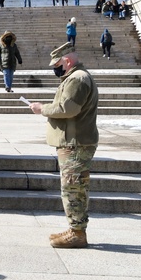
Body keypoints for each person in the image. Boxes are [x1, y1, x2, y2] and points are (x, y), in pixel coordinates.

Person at [30, 43, 100, 248]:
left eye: (57, 64)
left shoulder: (78, 79)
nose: (55, 68)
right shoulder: (75, 77)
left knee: (73, 188)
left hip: (76, 142)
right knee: (72, 187)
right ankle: (74, 228)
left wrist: (42, 108)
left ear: (67, 61)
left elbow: (67, 108)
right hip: (73, 141)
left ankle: (78, 232)